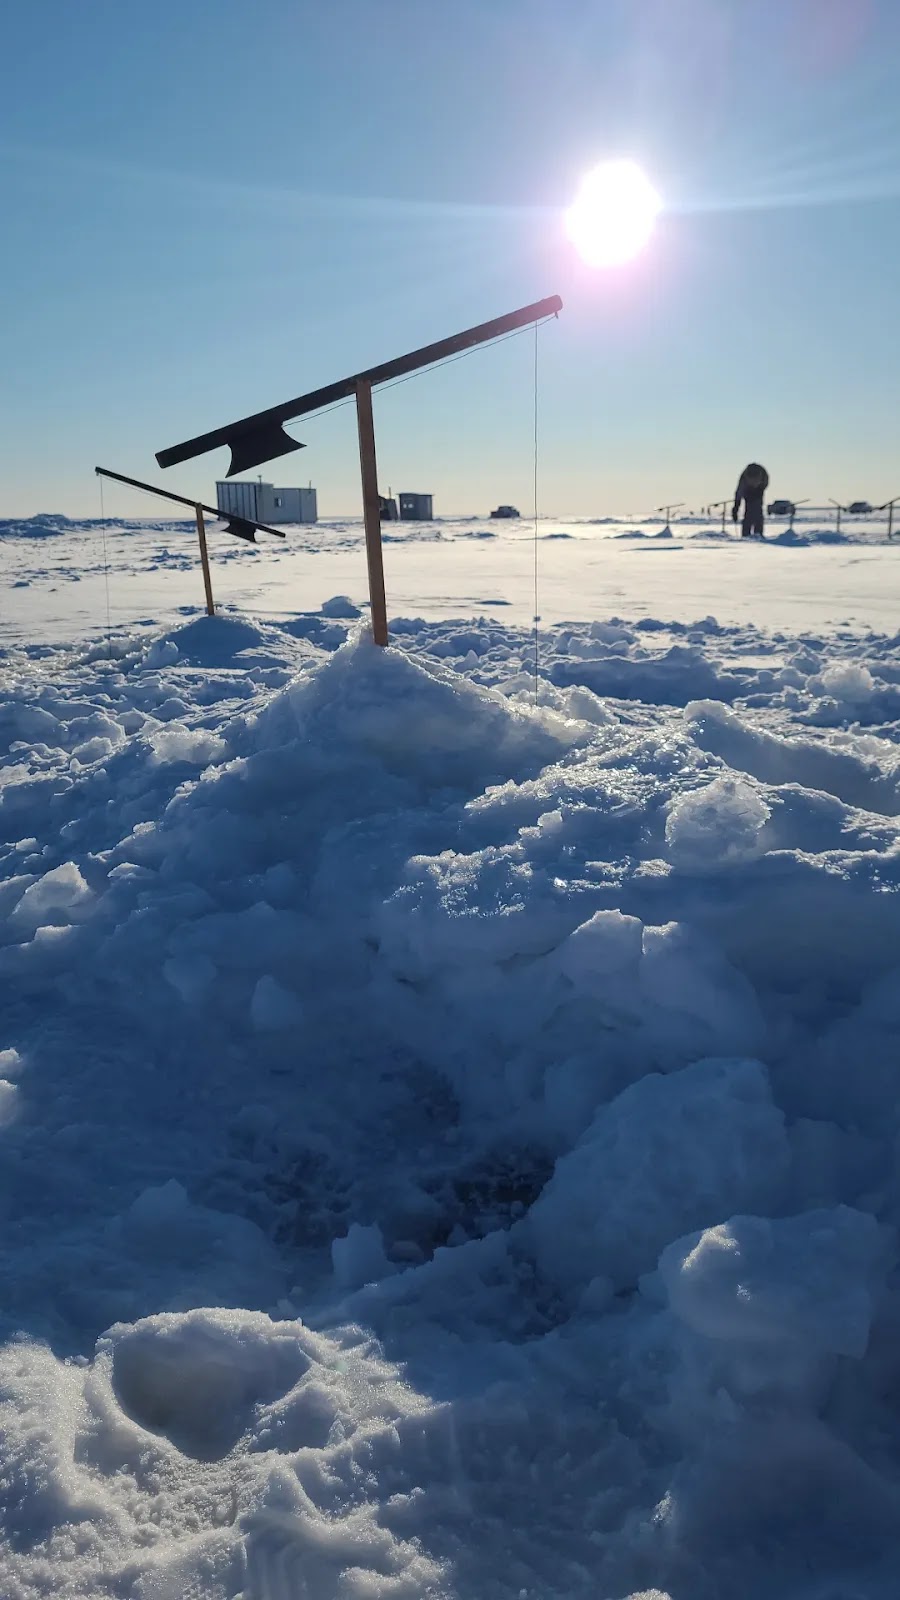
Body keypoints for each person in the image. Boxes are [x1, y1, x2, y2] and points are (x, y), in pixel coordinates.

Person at [733, 462, 769, 538]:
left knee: (758, 514)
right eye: (752, 482)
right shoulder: (743, 481)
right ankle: (746, 536)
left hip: (758, 493)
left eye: (755, 481)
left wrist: (759, 490)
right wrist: (736, 508)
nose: (754, 483)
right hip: (748, 494)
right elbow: (738, 493)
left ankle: (758, 535)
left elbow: (765, 483)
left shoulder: (763, 476)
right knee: (748, 515)